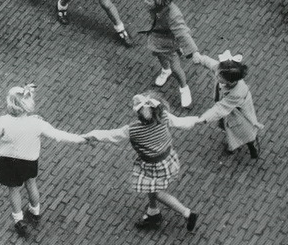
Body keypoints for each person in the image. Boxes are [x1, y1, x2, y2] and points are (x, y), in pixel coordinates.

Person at [0, 84, 87, 238]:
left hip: (9, 162)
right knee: (31, 184)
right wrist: (81, 139)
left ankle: (18, 220)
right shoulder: (37, 123)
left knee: (14, 190)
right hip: (29, 162)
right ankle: (35, 211)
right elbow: (58, 135)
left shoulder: (3, 122)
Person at [85, 92, 201, 232]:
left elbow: (111, 135)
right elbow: (182, 123)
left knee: (156, 192)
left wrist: (92, 135)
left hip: (152, 165)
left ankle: (187, 213)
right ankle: (153, 211)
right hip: (167, 158)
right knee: (150, 187)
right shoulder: (163, 116)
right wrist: (198, 119)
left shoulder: (132, 130)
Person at [135, 0, 197, 109]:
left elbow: (182, 33)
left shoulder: (173, 14)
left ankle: (184, 88)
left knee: (176, 68)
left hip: (169, 42)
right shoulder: (153, 0)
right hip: (156, 37)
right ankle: (165, 70)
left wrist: (194, 51)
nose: (145, 1)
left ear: (158, 0)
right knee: (158, 55)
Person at [190, 50, 263, 159]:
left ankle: (252, 146)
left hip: (239, 112)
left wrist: (204, 118)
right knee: (227, 127)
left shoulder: (237, 92)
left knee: (246, 131)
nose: (217, 77)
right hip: (228, 110)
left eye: (220, 78)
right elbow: (211, 63)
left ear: (230, 81)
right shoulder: (222, 70)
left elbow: (221, 108)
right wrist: (200, 58)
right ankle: (233, 144)